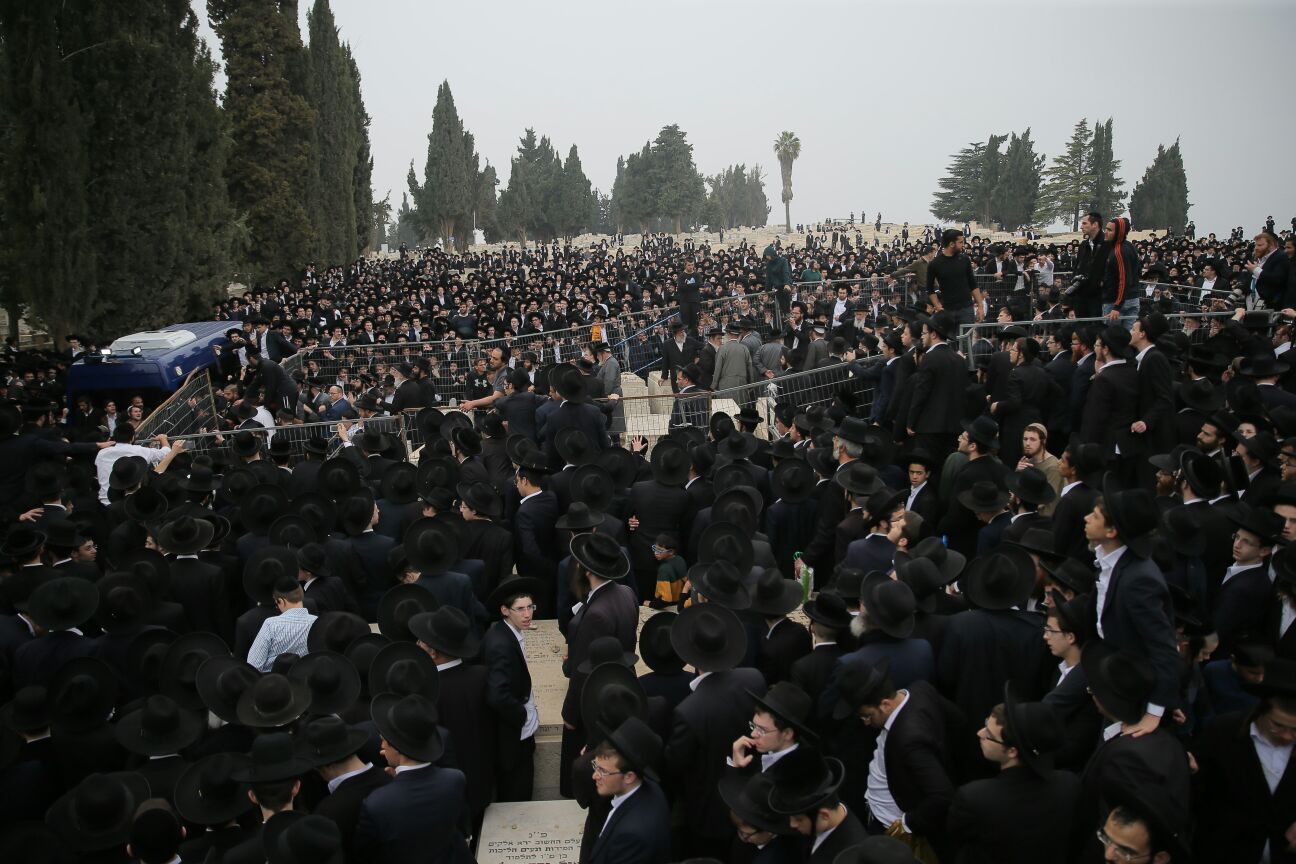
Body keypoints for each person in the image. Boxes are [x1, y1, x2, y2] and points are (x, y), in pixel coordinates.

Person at [945, 689, 1081, 863]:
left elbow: (958, 837)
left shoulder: (973, 798)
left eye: (989, 735)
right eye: (986, 724)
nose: (980, 733)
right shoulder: (1069, 785)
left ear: (1012, 751)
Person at [482, 575, 541, 802]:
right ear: (505, 611)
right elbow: (497, 695)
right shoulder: (501, 645)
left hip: (519, 732)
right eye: (520, 609)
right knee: (518, 791)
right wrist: (522, 715)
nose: (527, 615)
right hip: (514, 737)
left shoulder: (506, 633)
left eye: (530, 607)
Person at [587, 716, 672, 864]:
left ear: (629, 777)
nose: (595, 776)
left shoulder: (631, 836)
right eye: (596, 766)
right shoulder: (651, 789)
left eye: (603, 771)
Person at [245, 575, 317, 673]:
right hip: (303, 679)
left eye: (276, 603)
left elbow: (253, 665)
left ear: (281, 601)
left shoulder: (271, 624)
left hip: (273, 682)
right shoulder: (316, 622)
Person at [926, 229, 984, 328]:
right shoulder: (935, 264)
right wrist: (938, 306)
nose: (963, 245)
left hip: (966, 308)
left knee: (965, 342)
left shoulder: (964, 260)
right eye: (960, 242)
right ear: (952, 244)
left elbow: (973, 284)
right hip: (947, 309)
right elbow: (930, 289)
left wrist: (980, 306)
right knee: (950, 341)